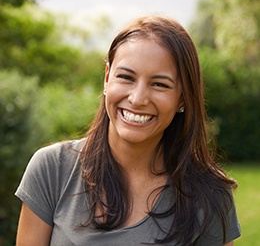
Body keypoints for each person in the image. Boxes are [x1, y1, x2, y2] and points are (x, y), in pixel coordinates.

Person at [15, 15, 241, 245]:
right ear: (106, 78)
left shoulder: (210, 196)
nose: (138, 98)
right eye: (126, 77)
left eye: (159, 84)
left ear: (182, 97)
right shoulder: (51, 169)